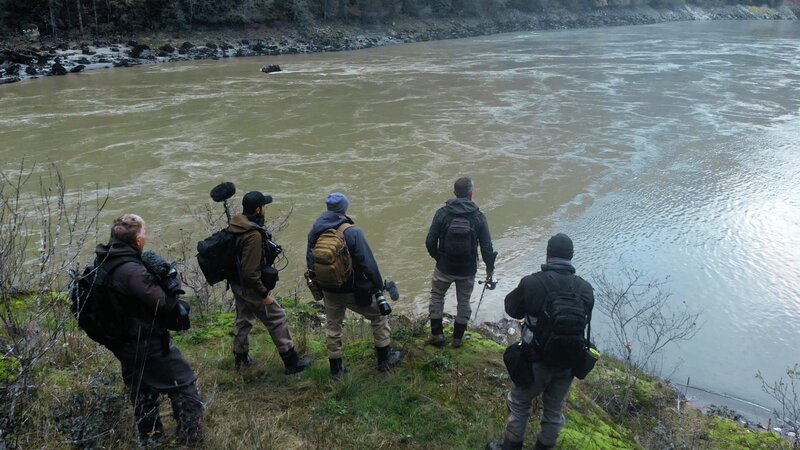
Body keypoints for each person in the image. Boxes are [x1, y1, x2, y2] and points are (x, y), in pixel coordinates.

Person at [94, 214, 203, 445]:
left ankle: (151, 438)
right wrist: (170, 282)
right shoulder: (132, 271)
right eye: (143, 234)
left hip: (123, 342)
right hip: (145, 341)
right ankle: (191, 438)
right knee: (183, 383)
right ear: (136, 241)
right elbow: (163, 304)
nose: (145, 238)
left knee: (142, 390)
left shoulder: (104, 261)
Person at [487, 233, 595, 450]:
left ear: (548, 255)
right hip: (567, 364)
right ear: (571, 257)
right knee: (555, 412)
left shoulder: (532, 282)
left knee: (519, 403)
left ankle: (511, 447)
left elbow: (512, 308)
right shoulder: (585, 288)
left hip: (535, 360)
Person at [306, 192, 404, 378]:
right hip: (353, 289)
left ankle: (336, 370)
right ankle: (384, 361)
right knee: (378, 317)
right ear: (345, 208)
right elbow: (368, 264)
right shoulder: (352, 232)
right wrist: (377, 286)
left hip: (328, 289)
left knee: (333, 326)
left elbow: (310, 260)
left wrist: (320, 284)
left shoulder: (315, 230)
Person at [228, 191, 311, 374]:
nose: (265, 210)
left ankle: (240, 360)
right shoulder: (253, 235)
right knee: (277, 318)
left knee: (243, 320)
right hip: (250, 286)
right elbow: (251, 271)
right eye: (264, 207)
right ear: (258, 209)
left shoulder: (236, 225)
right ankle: (292, 362)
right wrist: (264, 294)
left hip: (236, 283)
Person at [425, 176, 497, 348]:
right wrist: (490, 270)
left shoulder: (442, 213)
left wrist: (439, 258)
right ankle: (457, 339)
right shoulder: (478, 217)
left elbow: (430, 241)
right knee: (464, 302)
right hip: (467, 269)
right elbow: (487, 247)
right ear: (471, 194)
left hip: (444, 266)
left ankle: (437, 335)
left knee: (437, 296)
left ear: (455, 193)